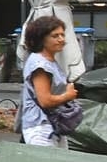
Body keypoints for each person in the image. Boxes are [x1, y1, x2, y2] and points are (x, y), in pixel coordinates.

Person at [21, 15, 79, 149]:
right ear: (41, 38)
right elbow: (45, 101)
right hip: (41, 128)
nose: (61, 39)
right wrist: (67, 96)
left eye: (62, 35)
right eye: (55, 36)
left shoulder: (50, 61)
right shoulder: (40, 65)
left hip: (54, 126)